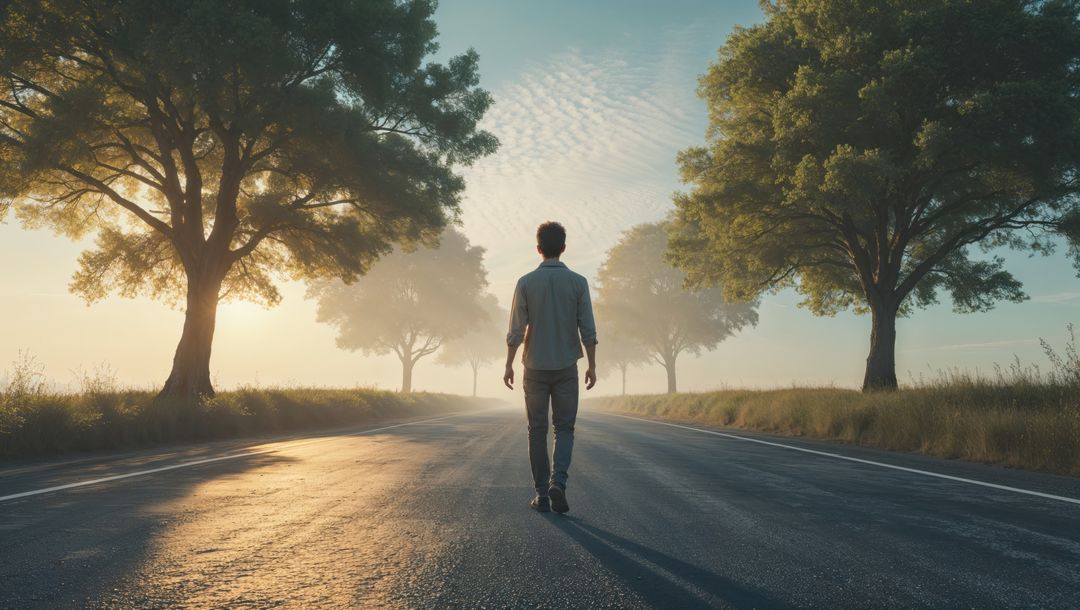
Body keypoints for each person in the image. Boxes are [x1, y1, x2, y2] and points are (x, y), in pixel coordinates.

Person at [504, 221, 598, 514]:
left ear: (538, 248)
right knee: (565, 428)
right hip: (567, 366)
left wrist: (508, 364)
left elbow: (516, 331)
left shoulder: (526, 282)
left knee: (537, 430)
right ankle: (559, 482)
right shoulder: (579, 282)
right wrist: (592, 366)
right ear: (564, 248)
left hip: (534, 367)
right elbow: (588, 329)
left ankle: (542, 494)